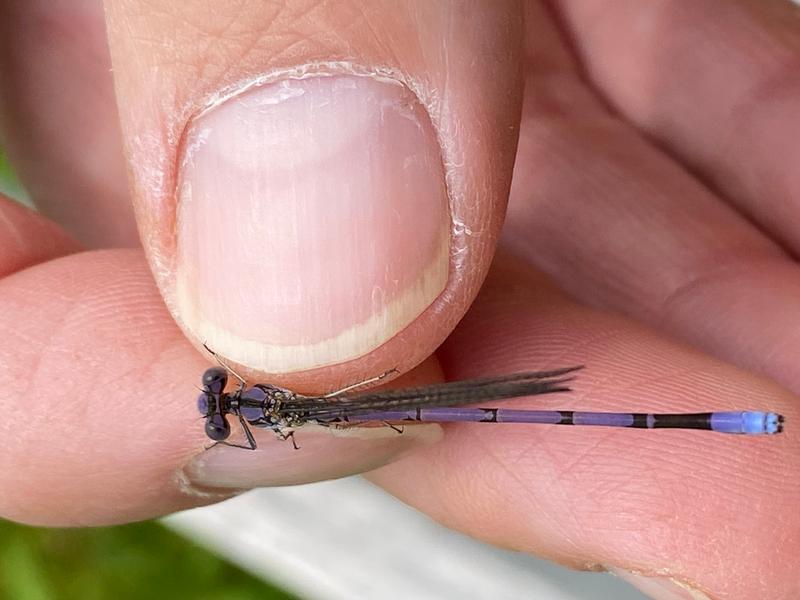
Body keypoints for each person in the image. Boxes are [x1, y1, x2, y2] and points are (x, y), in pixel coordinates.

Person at [0, 2, 797, 598]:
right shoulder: (276, 403)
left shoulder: (267, 406)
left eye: (223, 398)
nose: (224, 400)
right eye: (224, 402)